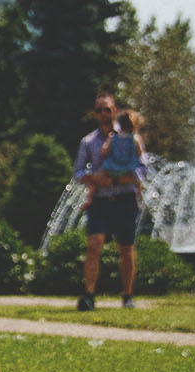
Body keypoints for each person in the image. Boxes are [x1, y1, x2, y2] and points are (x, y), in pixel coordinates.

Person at [73, 92, 146, 311]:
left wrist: (117, 179)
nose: (103, 113)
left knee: (126, 247)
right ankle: (89, 295)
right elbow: (78, 171)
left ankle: (127, 295)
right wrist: (94, 179)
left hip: (125, 198)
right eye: (99, 110)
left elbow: (143, 168)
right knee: (94, 244)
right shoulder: (88, 142)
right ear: (94, 114)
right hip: (100, 200)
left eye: (107, 109)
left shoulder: (131, 137)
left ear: (115, 111)